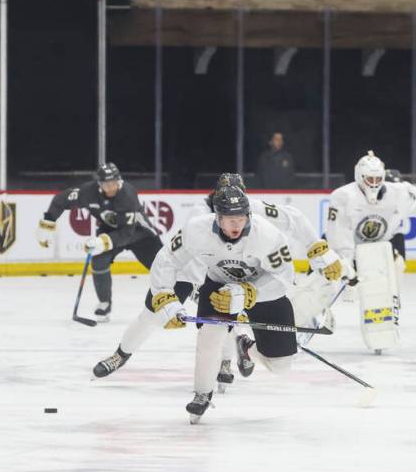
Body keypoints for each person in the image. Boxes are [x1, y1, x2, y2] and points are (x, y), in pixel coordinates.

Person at [91, 174, 344, 394]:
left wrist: (318, 248)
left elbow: (294, 218)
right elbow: (179, 257)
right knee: (151, 314)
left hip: (232, 274)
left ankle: (230, 357)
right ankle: (121, 354)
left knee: (228, 316)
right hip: (190, 272)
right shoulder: (200, 217)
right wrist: (188, 292)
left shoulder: (248, 210)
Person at [147, 185, 299, 423]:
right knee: (210, 336)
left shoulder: (268, 235)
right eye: (229, 220)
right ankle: (202, 393)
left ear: (249, 215)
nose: (236, 225)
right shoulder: (196, 230)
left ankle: (246, 348)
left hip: (262, 290)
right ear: (217, 218)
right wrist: (165, 296)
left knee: (281, 366)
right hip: (220, 285)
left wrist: (250, 292)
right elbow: (166, 259)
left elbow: (284, 277)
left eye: (240, 218)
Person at [326, 150, 416, 351]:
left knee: (395, 265)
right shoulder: (343, 197)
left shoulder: (400, 193)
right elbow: (338, 234)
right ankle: (306, 316)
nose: (374, 183)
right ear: (359, 177)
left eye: (378, 178)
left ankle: (389, 309)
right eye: (370, 179)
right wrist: (348, 265)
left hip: (385, 242)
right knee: (324, 269)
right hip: (351, 244)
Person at [36, 162, 162, 322]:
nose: (111, 188)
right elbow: (61, 200)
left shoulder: (128, 195)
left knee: (161, 266)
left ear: (119, 180)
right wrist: (47, 223)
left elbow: (126, 232)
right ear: (99, 184)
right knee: (99, 260)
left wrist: (103, 241)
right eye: (106, 184)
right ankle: (104, 303)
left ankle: (173, 300)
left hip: (139, 233)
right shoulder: (88, 192)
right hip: (109, 230)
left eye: (113, 183)